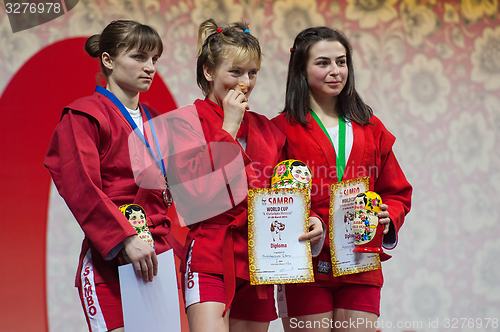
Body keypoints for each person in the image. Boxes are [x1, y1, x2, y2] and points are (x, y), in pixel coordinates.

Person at [165, 19, 323, 332]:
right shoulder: (184, 122)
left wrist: (310, 216)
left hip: (261, 257)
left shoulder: (268, 128)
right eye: (235, 72)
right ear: (209, 72)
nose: (245, 83)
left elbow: (288, 187)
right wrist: (229, 128)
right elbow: (193, 195)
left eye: (252, 73)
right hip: (211, 253)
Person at [44, 20, 183, 332]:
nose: (150, 67)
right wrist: (125, 238)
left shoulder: (157, 120)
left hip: (157, 255)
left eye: (155, 59)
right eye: (139, 57)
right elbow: (82, 186)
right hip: (112, 258)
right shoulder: (83, 115)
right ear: (108, 59)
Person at [272, 27, 412, 331]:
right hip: (305, 267)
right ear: (301, 69)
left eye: (342, 61)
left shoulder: (371, 127)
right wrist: (306, 219)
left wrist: (390, 215)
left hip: (361, 262)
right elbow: (272, 198)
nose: (335, 71)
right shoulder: (280, 130)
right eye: (323, 63)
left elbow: (396, 192)